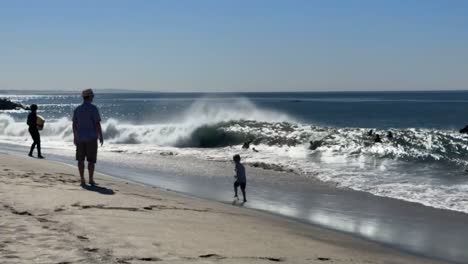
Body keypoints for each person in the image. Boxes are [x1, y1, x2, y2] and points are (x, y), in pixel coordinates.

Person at [73, 89, 104, 186]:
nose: (93, 97)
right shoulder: (93, 108)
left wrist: (75, 136)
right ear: (90, 97)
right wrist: (101, 136)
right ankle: (90, 179)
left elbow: (74, 124)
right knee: (91, 160)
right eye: (92, 96)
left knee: (80, 160)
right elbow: (97, 124)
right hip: (91, 138)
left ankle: (82, 179)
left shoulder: (77, 109)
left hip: (80, 138)